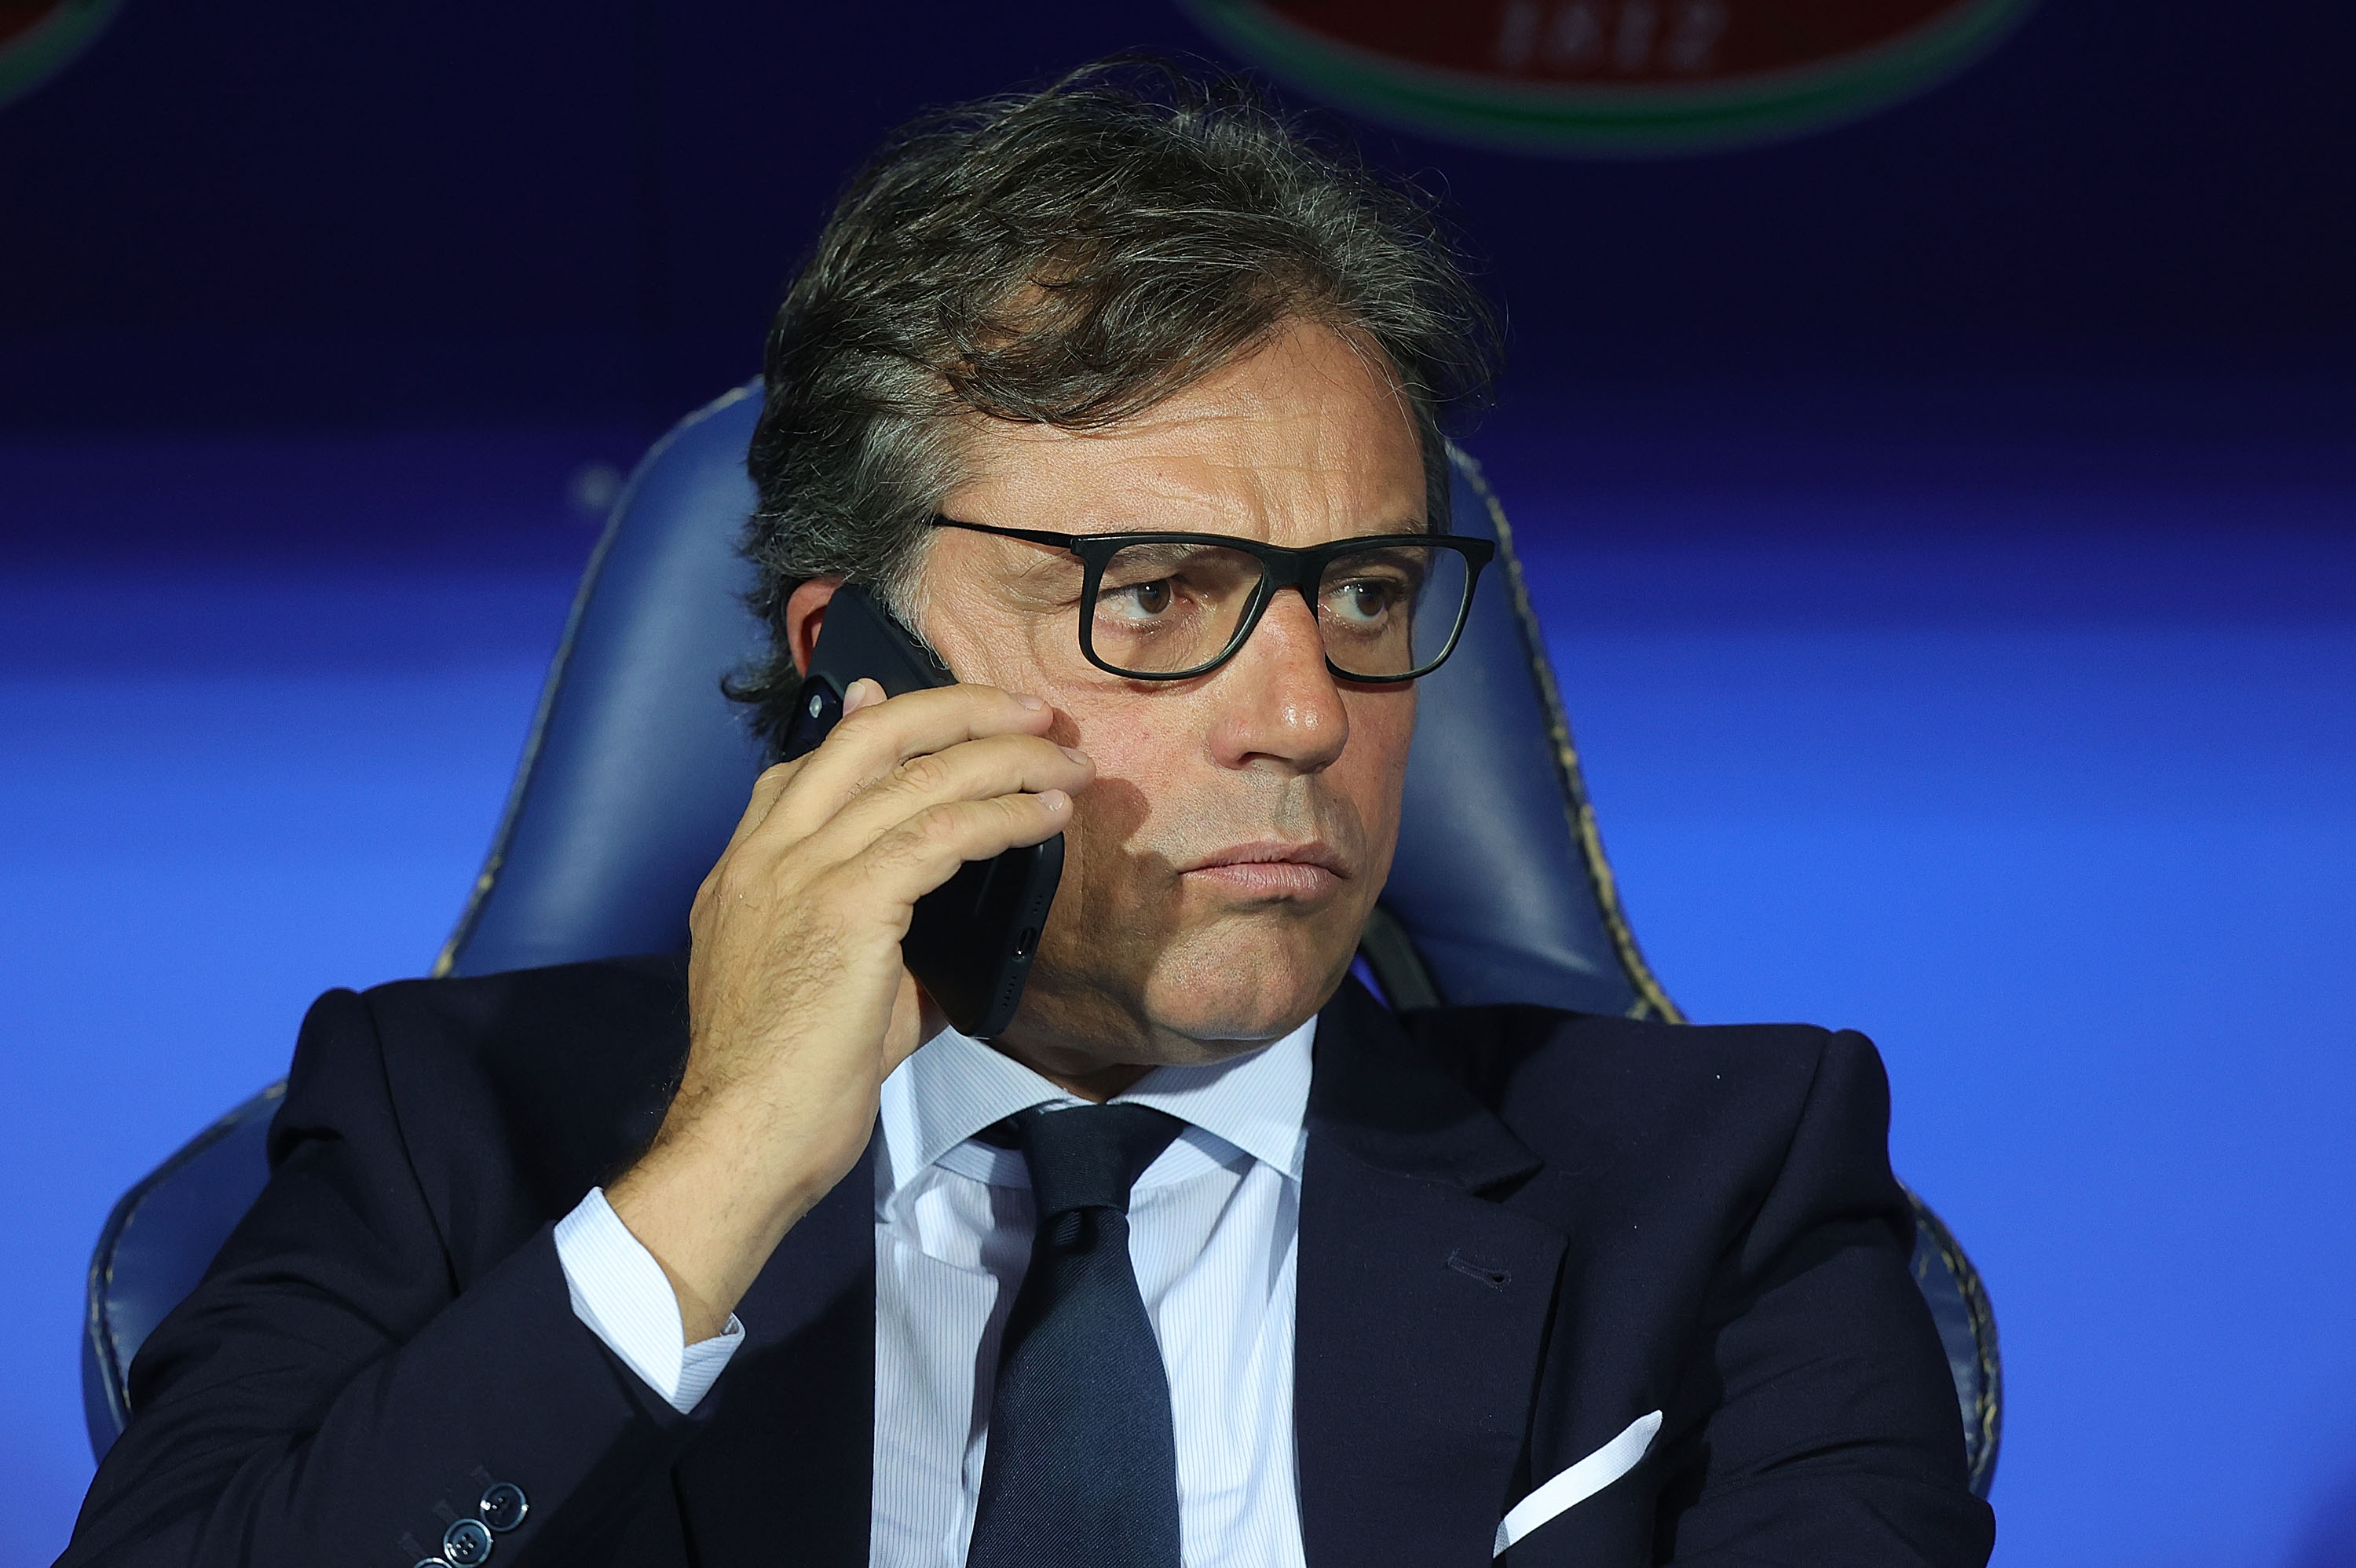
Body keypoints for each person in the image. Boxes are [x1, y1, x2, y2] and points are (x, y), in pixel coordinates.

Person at [58, 63, 1995, 1568]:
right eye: (1152, 594)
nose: (1312, 713)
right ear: (860, 665)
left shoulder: (1722, 1182)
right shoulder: (454, 1136)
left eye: (1369, 597)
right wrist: (722, 1174)